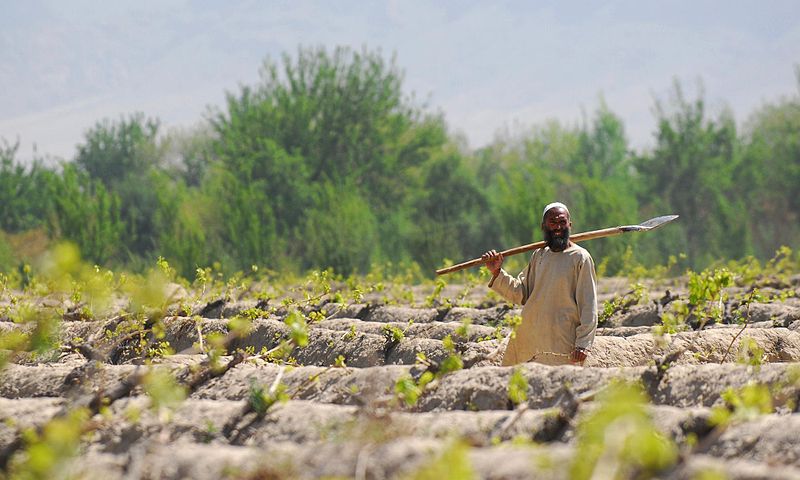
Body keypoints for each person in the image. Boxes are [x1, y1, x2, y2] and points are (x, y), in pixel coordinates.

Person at [482, 202, 597, 366]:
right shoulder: (539, 255)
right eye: (553, 222)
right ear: (543, 226)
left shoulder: (580, 258)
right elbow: (520, 294)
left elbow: (588, 305)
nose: (558, 227)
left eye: (562, 222)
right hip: (530, 337)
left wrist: (583, 344)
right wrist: (497, 272)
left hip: (560, 341)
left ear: (569, 225)